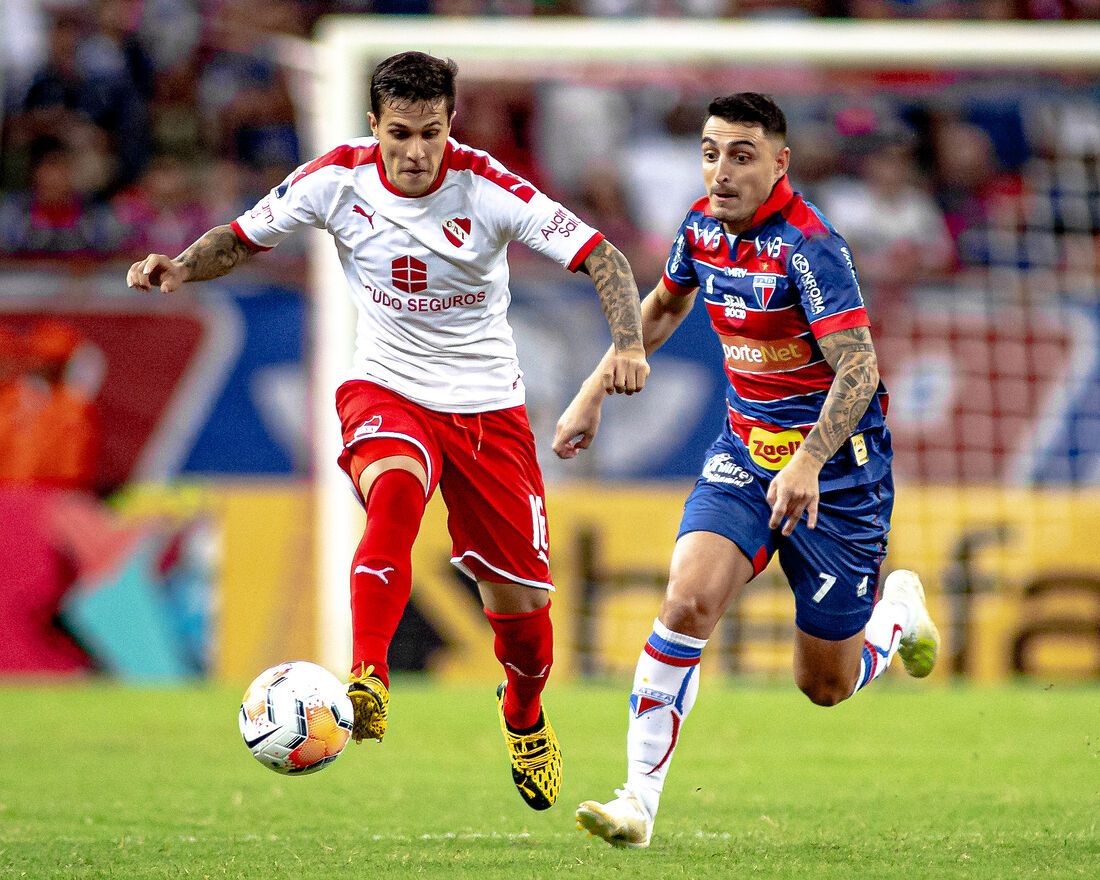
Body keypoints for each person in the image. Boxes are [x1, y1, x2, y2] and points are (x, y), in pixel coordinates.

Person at [127, 51, 649, 811]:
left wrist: (628, 344)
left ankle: (525, 717)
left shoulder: (490, 187)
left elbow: (602, 257)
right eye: (399, 132)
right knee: (395, 492)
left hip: (488, 410)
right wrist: (179, 266)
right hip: (386, 387)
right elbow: (241, 238)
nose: (415, 152)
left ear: (451, 125)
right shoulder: (335, 178)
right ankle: (368, 675)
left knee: (525, 617)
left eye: (430, 133)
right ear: (373, 124)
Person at [553, 93, 940, 847]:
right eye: (709, 151)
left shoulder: (811, 247)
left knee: (823, 685)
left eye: (740, 154)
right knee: (687, 603)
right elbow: (664, 305)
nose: (721, 170)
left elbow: (858, 370)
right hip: (743, 455)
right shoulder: (700, 228)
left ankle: (894, 615)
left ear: (778, 162)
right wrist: (592, 391)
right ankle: (637, 802)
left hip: (840, 478)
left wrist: (808, 460)